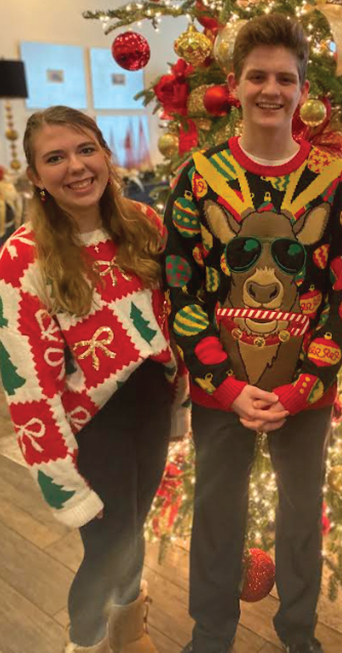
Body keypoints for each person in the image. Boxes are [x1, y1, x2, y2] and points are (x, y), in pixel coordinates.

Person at [164, 13, 342, 653]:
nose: (271, 89)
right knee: (218, 515)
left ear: (304, 91)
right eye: (258, 77)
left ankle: (299, 634)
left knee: (301, 517)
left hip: (305, 390)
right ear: (235, 83)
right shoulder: (197, 176)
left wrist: (308, 385)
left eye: (285, 77)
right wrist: (222, 384)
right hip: (220, 387)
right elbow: (181, 286)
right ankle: (212, 633)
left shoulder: (336, 181)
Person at [0, 106, 189, 653]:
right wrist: (61, 479)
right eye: (55, 158)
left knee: (133, 536)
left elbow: (167, 320)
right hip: (91, 429)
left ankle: (129, 633)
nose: (76, 167)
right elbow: (28, 382)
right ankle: (85, 644)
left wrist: (177, 404)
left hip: (150, 409)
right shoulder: (22, 257)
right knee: (106, 549)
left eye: (86, 150)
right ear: (35, 176)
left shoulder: (143, 223)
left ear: (106, 153)